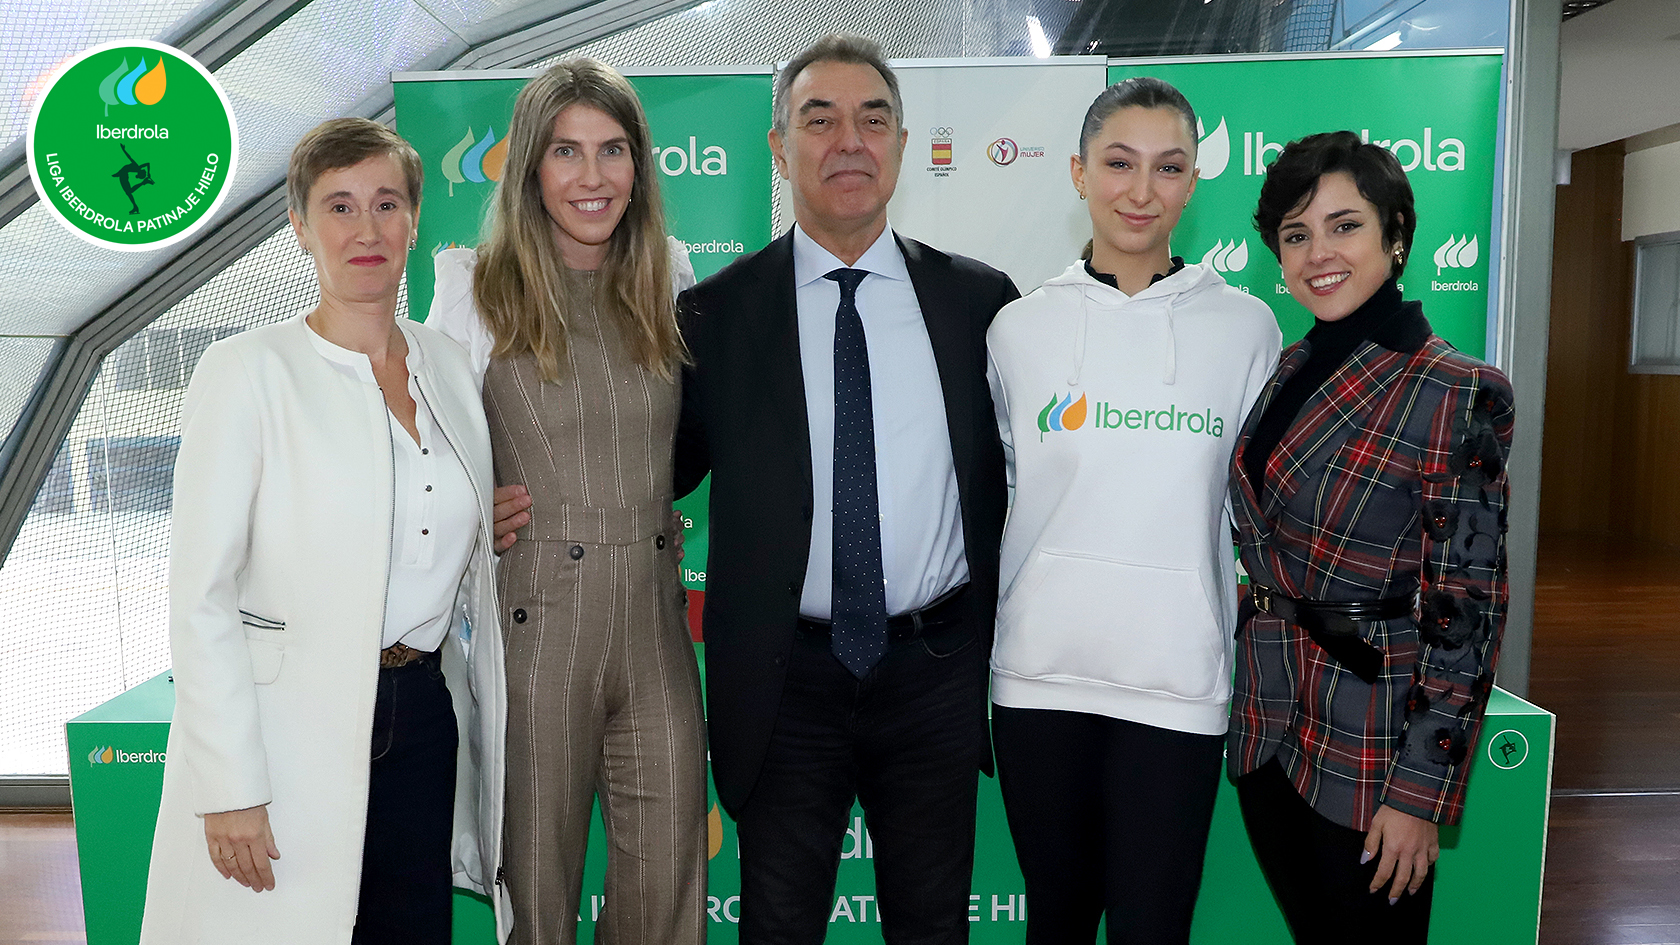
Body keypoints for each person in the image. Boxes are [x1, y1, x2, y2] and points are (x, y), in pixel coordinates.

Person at [664, 32, 1017, 944]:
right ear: (780, 148)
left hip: (935, 674)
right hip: (786, 684)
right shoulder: (717, 314)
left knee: (931, 925)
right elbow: (651, 469)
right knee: (778, 926)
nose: (848, 141)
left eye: (873, 119)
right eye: (819, 119)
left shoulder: (983, 304)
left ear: (902, 145)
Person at [139, 117, 506, 945]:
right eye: (338, 206)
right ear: (300, 228)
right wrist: (228, 782)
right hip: (287, 728)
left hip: (421, 711)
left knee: (407, 929)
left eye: (386, 203)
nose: (366, 229)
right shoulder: (246, 372)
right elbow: (201, 596)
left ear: (416, 218)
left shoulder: (445, 363)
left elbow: (441, 514)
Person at [984, 77, 1281, 944]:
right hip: (1040, 681)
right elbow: (1002, 487)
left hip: (1178, 688)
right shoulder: (1018, 330)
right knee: (1059, 925)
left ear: (1194, 183)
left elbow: (1253, 510)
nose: (1141, 191)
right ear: (1078, 173)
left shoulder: (1247, 329)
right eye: (1119, 163)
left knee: (1154, 929)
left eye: (1169, 167)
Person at [427, 58, 706, 945]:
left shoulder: (669, 268)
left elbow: (690, 437)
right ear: (530, 170)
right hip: (534, 618)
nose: (593, 177)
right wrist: (477, 517)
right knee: (538, 899)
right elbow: (426, 456)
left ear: (640, 164)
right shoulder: (473, 285)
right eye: (565, 152)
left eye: (613, 150)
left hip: (657, 619)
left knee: (667, 884)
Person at [1228, 131, 1513, 944]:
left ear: (1395, 234)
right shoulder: (1286, 367)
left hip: (1376, 737)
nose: (1319, 252)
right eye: (1295, 233)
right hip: (1270, 719)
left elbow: (1471, 611)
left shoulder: (1457, 389)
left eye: (1344, 225)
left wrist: (1421, 790)